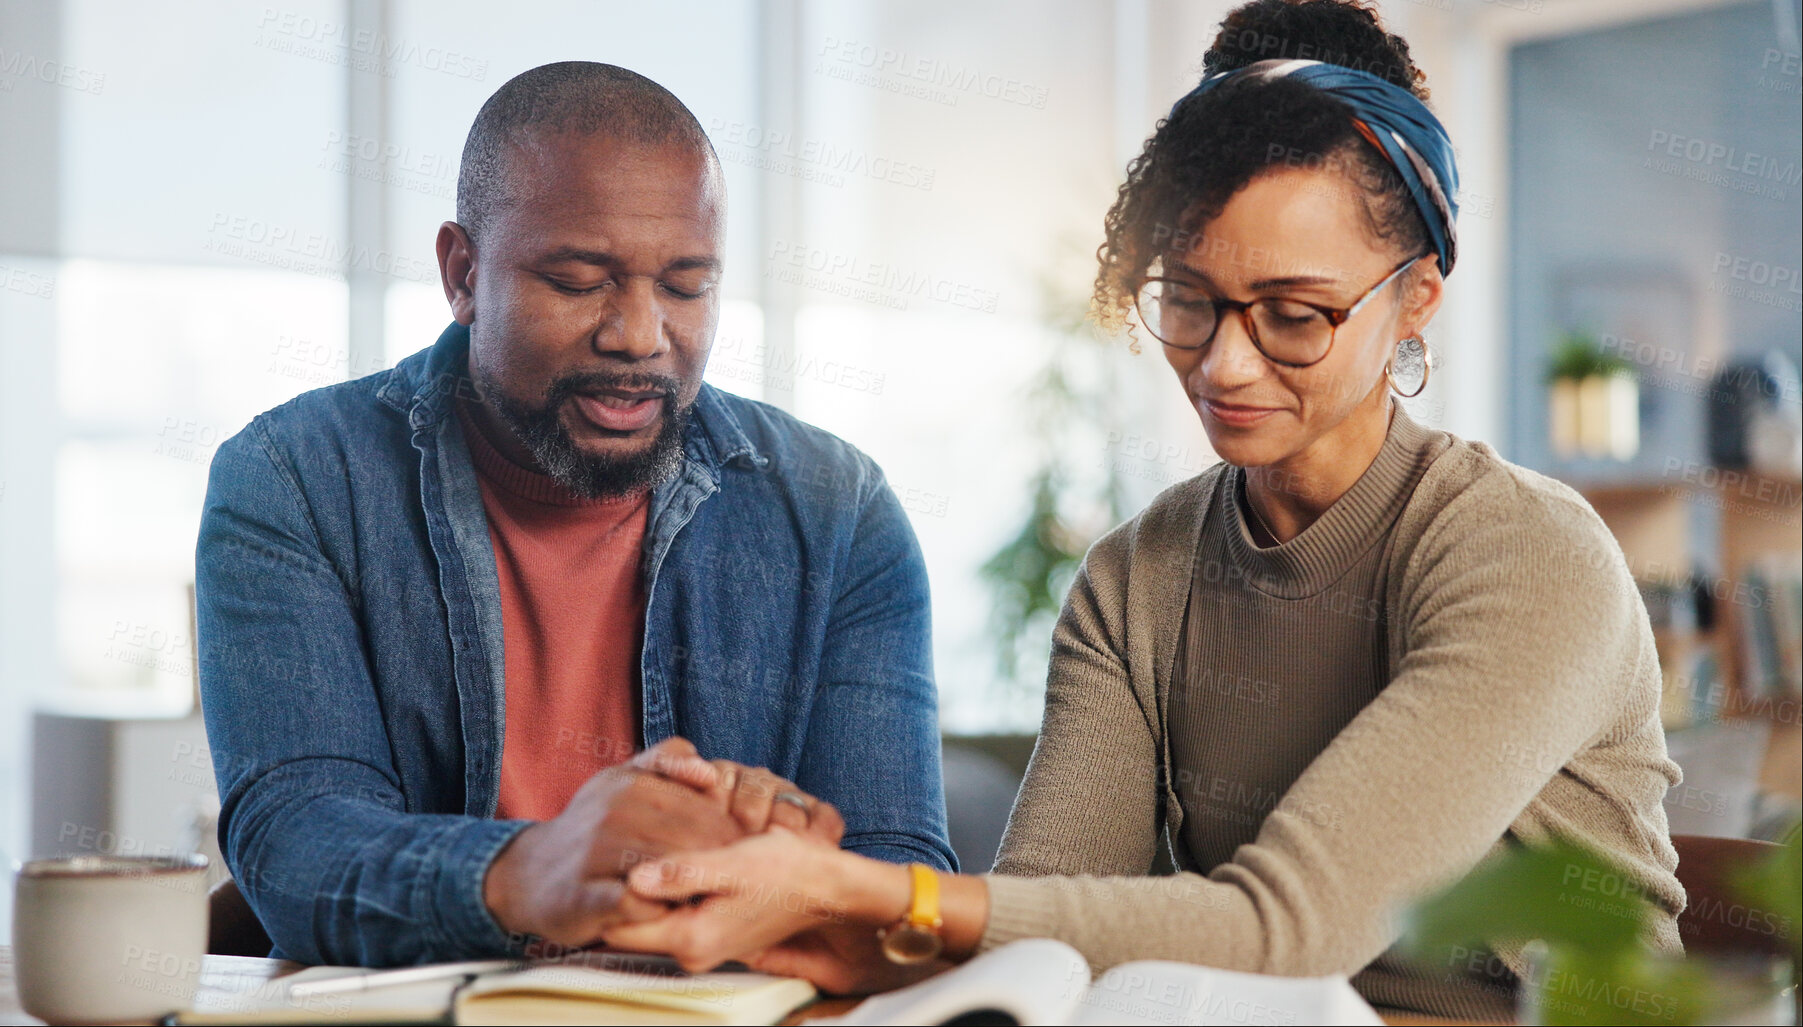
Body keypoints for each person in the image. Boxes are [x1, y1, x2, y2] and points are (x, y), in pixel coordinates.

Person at [600, 3, 1684, 1019]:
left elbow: (1292, 923)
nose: (1225, 363)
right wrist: (837, 922)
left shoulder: (1525, 552)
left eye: (1295, 316)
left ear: (1415, 299)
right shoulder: (1138, 578)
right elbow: (1046, 915)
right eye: (1188, 300)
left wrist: (889, 897)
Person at [194, 61, 954, 967]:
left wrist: (781, 875)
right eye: (578, 278)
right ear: (463, 272)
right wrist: (533, 868)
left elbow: (900, 885)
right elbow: (295, 842)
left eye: (684, 285)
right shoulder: (294, 478)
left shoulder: (839, 512)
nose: (638, 335)